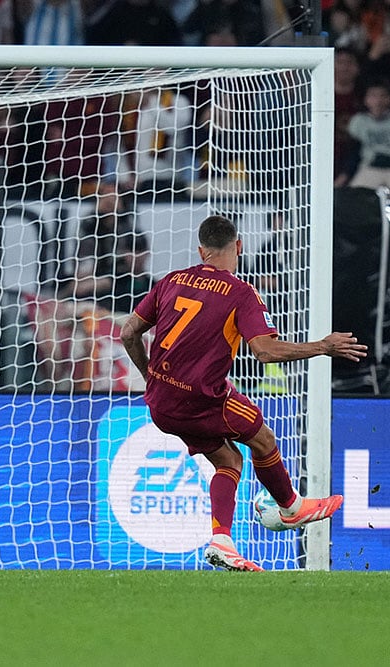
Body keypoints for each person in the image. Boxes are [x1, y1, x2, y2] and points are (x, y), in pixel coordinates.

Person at [119, 215, 368, 572]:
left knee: (229, 461)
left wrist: (150, 376)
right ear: (238, 246)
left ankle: (221, 541)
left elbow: (128, 333)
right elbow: (265, 352)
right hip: (201, 400)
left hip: (160, 402)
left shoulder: (171, 280)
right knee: (262, 436)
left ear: (201, 250)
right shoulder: (240, 293)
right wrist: (322, 346)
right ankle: (290, 508)